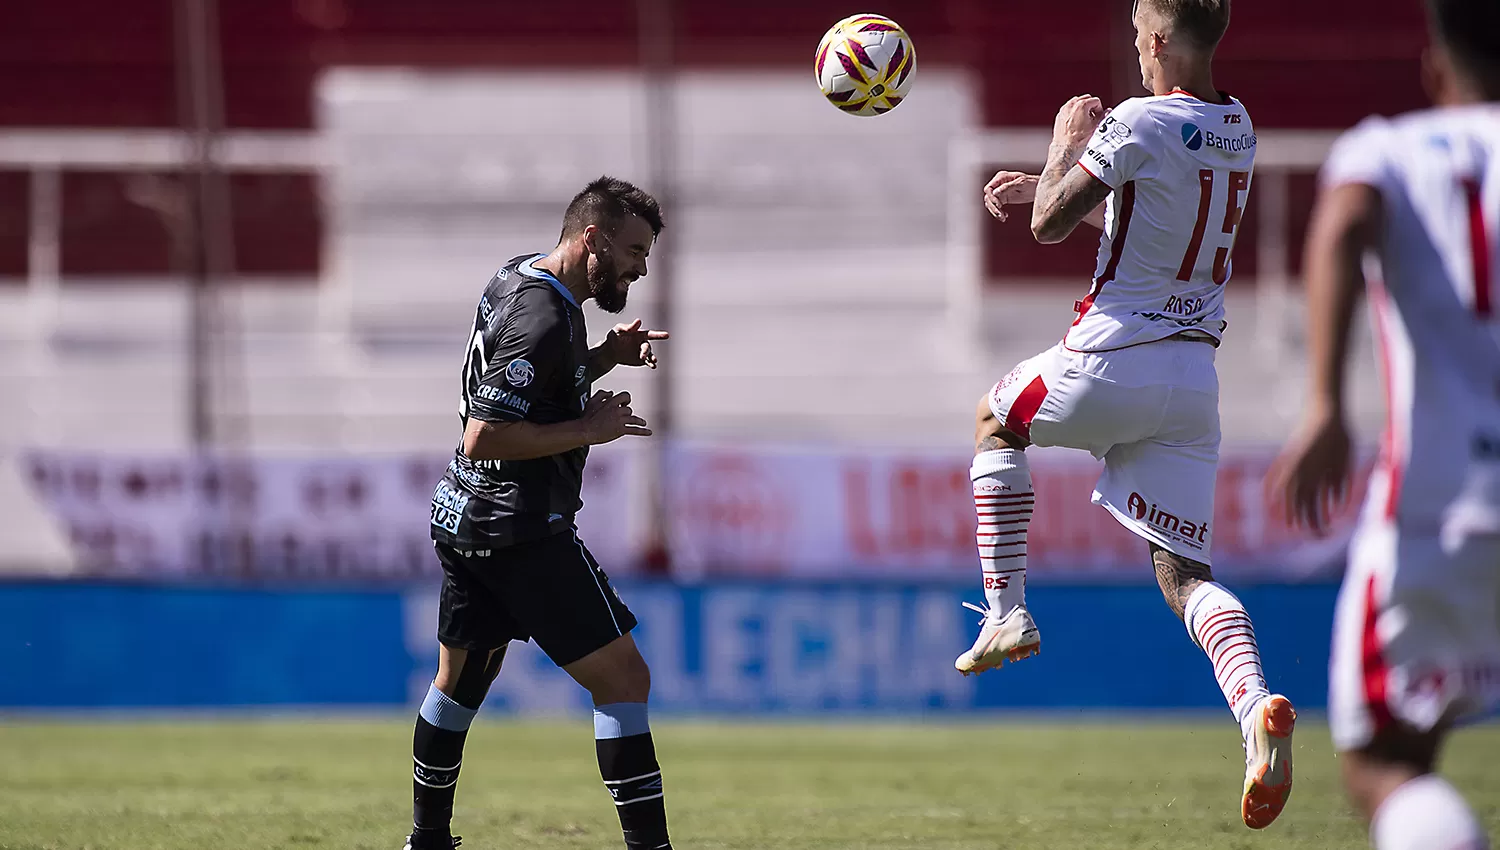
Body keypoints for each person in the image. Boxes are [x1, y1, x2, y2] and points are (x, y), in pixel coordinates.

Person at [969, 0, 1295, 830]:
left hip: (1110, 360)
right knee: (1184, 574)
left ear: (1153, 41)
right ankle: (1255, 707)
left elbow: (1047, 224)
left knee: (995, 420)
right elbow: (1155, 232)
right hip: (1192, 378)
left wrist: (1063, 143)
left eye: (1136, 34)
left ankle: (1007, 612)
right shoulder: (1239, 124)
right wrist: (1065, 179)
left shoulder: (1136, 119)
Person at [1268, 0, 1500, 846]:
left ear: (1436, 66)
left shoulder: (1387, 149)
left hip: (1443, 503)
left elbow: (1342, 223)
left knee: (1387, 762)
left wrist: (1327, 401)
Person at [405, 176, 673, 850]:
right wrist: (591, 428)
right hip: (520, 529)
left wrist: (604, 358)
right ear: (594, 239)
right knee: (624, 679)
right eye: (634, 250)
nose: (641, 267)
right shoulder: (545, 314)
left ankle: (426, 840)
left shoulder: (520, 275)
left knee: (458, 687)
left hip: (465, 518)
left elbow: (528, 386)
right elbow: (486, 432)